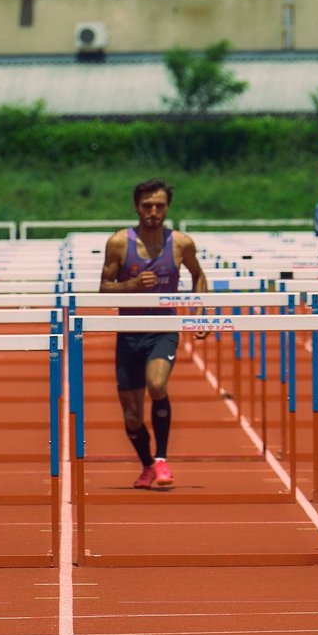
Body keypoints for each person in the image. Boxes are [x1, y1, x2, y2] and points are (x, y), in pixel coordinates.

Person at [98, 179, 207, 490]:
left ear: (167, 208)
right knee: (132, 417)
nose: (153, 211)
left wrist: (199, 314)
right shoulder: (119, 243)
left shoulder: (181, 243)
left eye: (159, 205)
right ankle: (147, 465)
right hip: (128, 333)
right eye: (147, 206)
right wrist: (129, 286)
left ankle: (161, 459)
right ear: (137, 207)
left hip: (163, 329)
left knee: (157, 384)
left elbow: (198, 275)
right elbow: (103, 288)